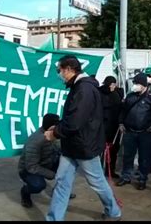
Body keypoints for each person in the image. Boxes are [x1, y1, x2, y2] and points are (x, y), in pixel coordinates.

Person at [46, 55, 121, 221]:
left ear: (69, 69)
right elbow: (74, 117)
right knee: (61, 183)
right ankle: (53, 218)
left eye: (59, 70)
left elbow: (75, 122)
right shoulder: (78, 87)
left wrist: (55, 133)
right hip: (71, 145)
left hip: (83, 146)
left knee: (97, 182)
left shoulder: (84, 89)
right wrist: (58, 126)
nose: (59, 74)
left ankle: (113, 212)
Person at [116, 72, 151, 190]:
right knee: (127, 156)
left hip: (146, 133)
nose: (135, 85)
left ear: (144, 85)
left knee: (144, 158)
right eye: (134, 83)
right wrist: (121, 123)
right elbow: (123, 111)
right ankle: (126, 176)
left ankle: (142, 179)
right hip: (130, 132)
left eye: (137, 83)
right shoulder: (130, 96)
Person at [18, 114, 77, 208]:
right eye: (57, 126)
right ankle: (25, 192)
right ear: (51, 127)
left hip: (46, 162)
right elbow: (31, 167)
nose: (59, 128)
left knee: (69, 166)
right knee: (38, 185)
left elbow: (59, 148)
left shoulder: (54, 135)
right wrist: (53, 175)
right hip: (28, 169)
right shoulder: (35, 141)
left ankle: (59, 191)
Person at [99, 76, 124, 178]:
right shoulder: (113, 94)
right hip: (110, 128)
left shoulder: (100, 93)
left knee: (106, 150)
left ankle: (104, 171)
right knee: (109, 150)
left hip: (107, 128)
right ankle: (107, 170)